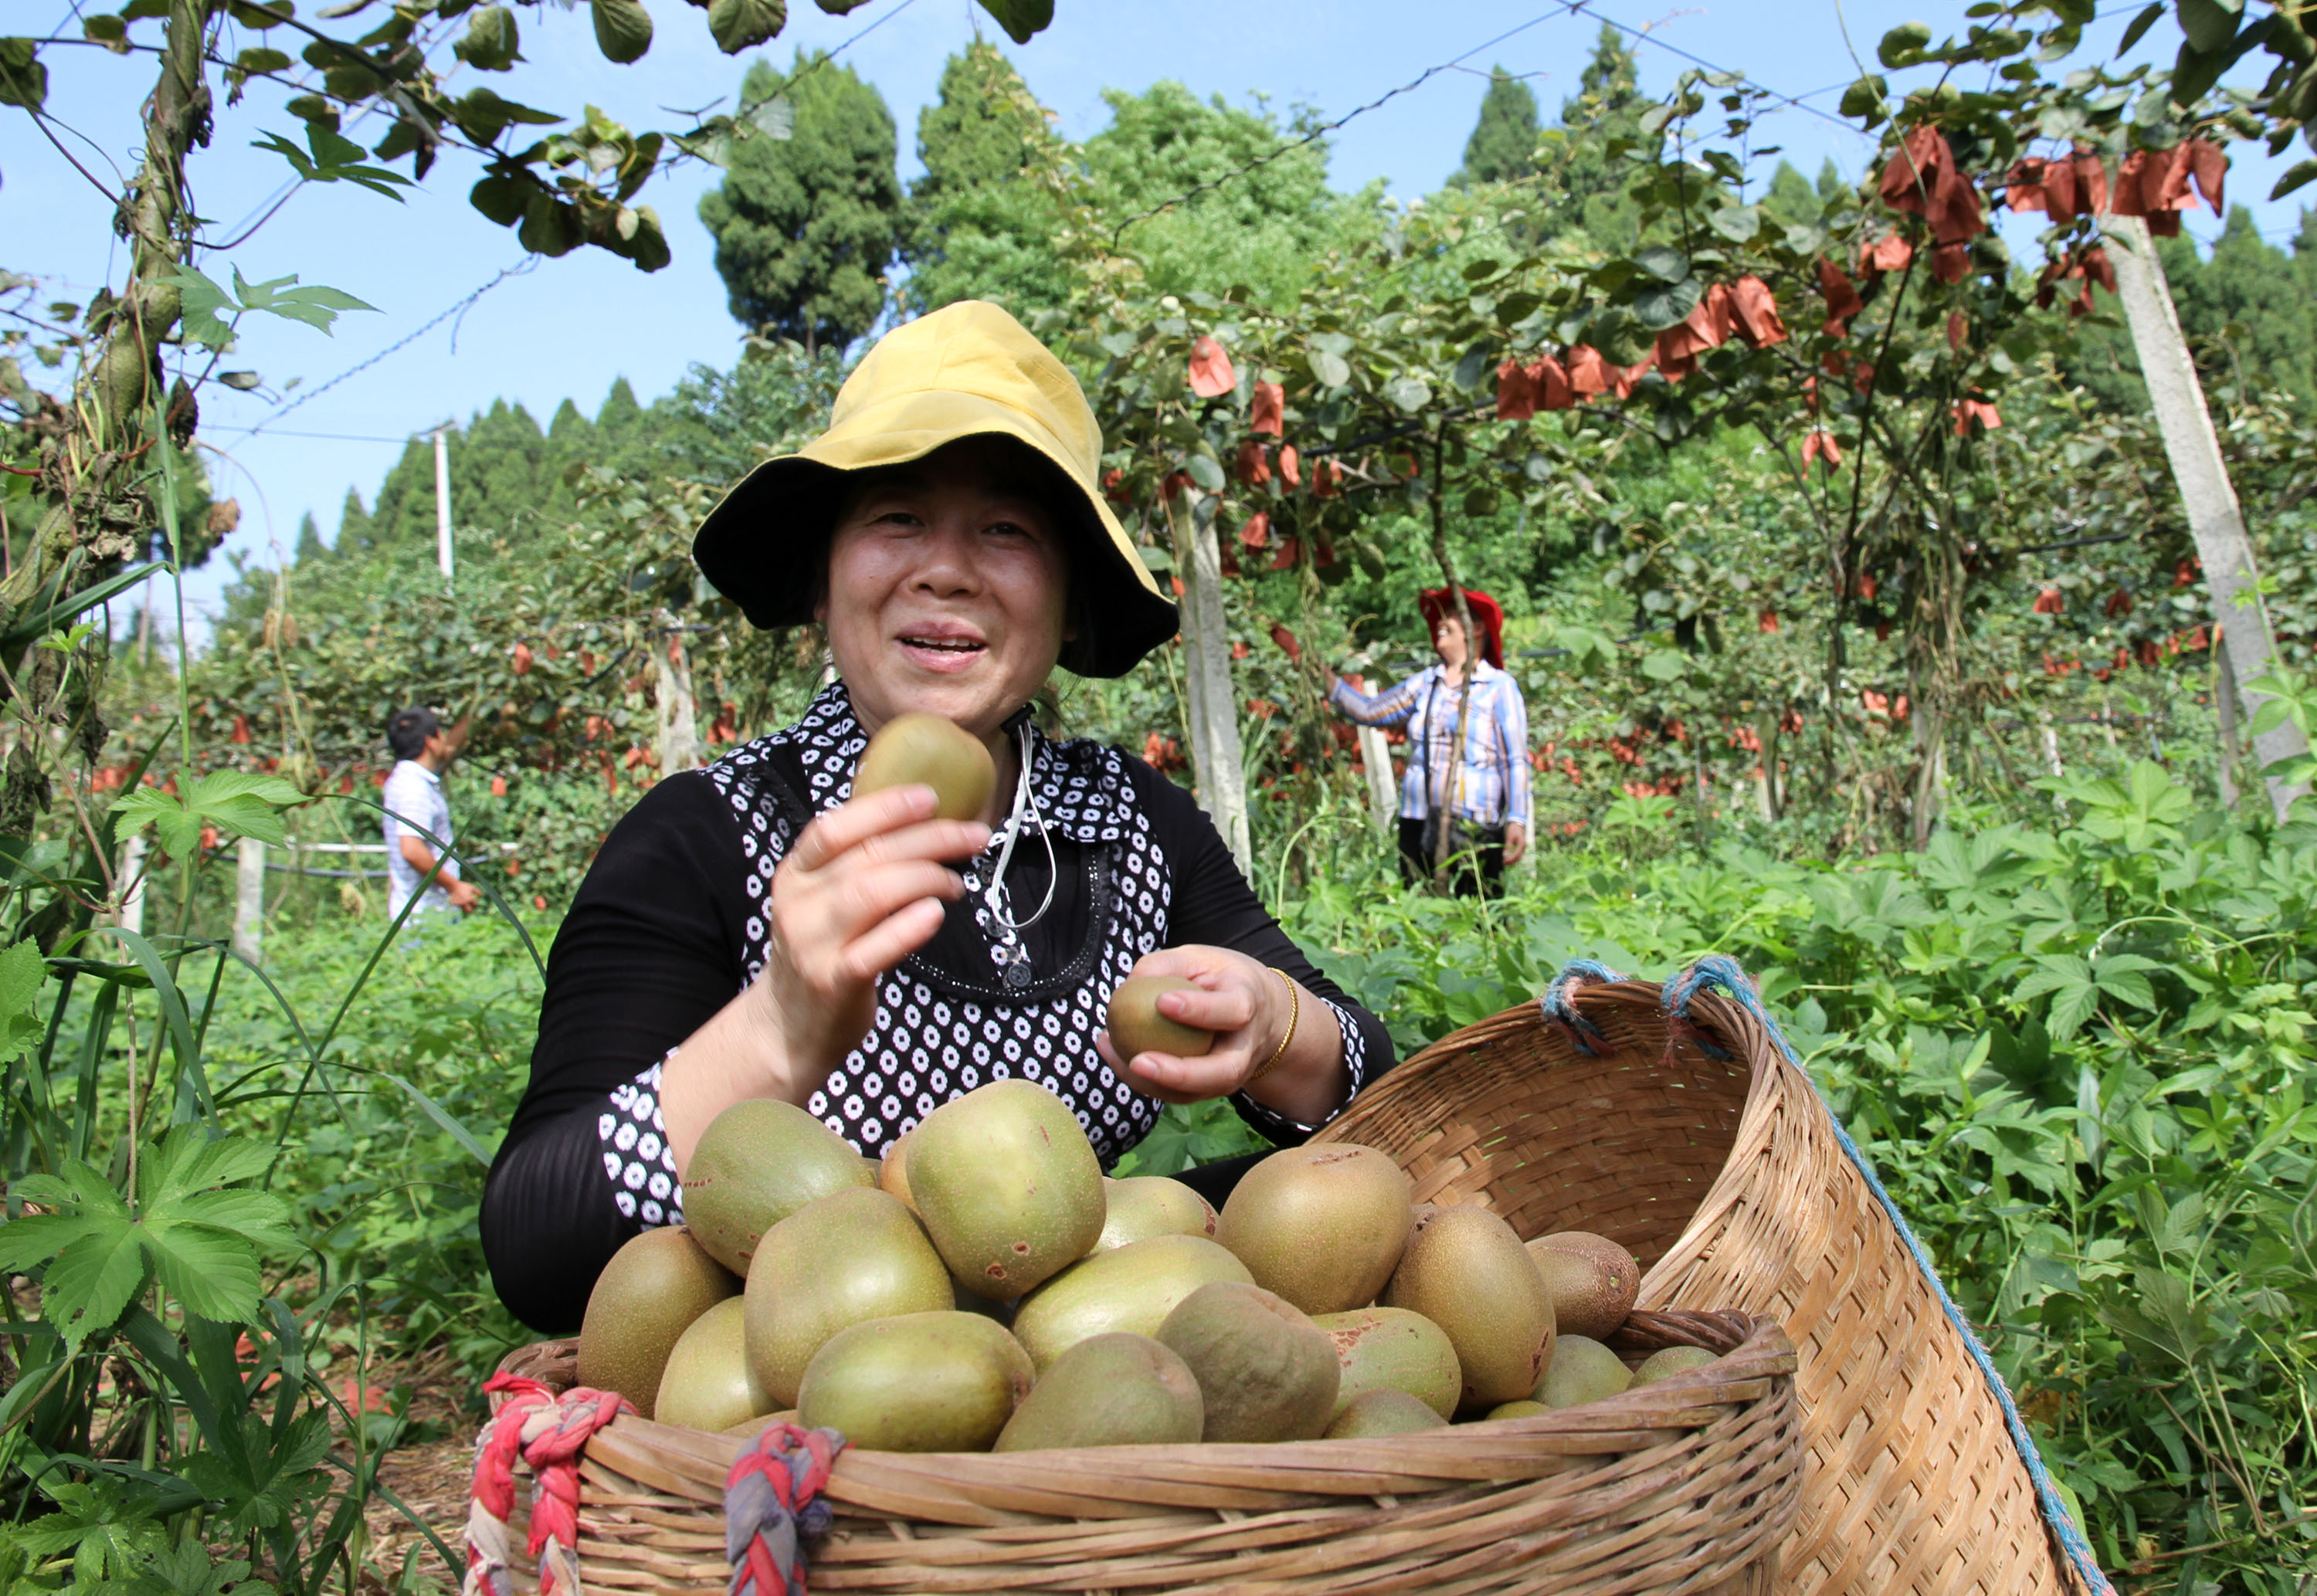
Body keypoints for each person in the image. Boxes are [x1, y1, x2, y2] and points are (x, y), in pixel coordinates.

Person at [480, 301, 1395, 1333]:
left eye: (1005, 528)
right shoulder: (710, 835)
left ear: (1066, 598)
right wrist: (778, 1026)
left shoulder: (1134, 824)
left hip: (1064, 1388)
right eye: (896, 517)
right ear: (826, 576)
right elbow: (533, 1248)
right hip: (805, 1392)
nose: (947, 568)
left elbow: (1381, 1102)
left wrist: (1277, 1025)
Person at [1325, 589, 1532, 897]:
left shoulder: (1499, 687)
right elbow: (1368, 711)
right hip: (1418, 820)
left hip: (1474, 823)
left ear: (1476, 628)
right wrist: (1311, 667)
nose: (1440, 622)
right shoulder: (1425, 683)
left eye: (1450, 615)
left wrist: (1517, 818)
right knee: (1422, 909)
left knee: (1477, 913)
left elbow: (1514, 759)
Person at [381, 707, 479, 919]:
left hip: (420, 913)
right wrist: (454, 886)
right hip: (425, 916)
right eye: (440, 735)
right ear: (430, 742)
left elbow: (449, 748)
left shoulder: (407, 778)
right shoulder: (414, 789)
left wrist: (478, 707)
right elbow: (412, 850)